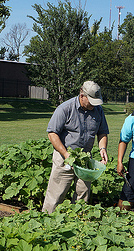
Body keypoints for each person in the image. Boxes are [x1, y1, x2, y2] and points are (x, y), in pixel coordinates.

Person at [42, 81, 109, 214]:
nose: (93, 105)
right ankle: (47, 220)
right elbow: (52, 134)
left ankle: (78, 223)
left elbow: (102, 132)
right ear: (82, 94)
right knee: (56, 193)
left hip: (84, 160)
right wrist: (66, 155)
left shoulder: (98, 110)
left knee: (82, 195)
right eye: (91, 101)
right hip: (64, 158)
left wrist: (102, 149)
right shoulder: (65, 108)